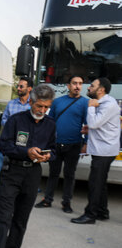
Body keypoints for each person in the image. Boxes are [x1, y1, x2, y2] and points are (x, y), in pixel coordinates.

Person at [0, 84, 56, 248]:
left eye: (46, 107)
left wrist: (48, 156)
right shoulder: (16, 120)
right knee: (4, 215)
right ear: (31, 102)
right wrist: (26, 151)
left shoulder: (50, 124)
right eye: (39, 106)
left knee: (22, 216)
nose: (42, 111)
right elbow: (4, 146)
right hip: (12, 172)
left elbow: (54, 149)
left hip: (33, 174)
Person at [34, 75, 88, 213]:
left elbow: (88, 125)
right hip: (55, 144)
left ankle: (66, 203)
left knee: (70, 175)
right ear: (68, 86)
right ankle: (47, 200)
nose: (77, 86)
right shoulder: (57, 102)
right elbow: (49, 122)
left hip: (74, 144)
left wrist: (86, 143)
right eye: (74, 83)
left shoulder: (85, 103)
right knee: (53, 173)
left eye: (80, 83)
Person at [71, 77, 121, 224]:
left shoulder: (108, 104)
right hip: (104, 149)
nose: (88, 88)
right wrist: (90, 131)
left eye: (92, 86)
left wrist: (91, 107)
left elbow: (93, 123)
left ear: (101, 89)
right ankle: (102, 212)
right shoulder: (105, 103)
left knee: (95, 183)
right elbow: (100, 125)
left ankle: (90, 215)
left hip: (104, 151)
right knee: (100, 182)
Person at [0, 77, 33, 204]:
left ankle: (18, 197)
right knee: (2, 169)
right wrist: (14, 126)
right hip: (9, 142)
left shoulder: (33, 105)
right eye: (18, 86)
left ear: (29, 89)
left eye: (21, 86)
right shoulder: (11, 104)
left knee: (22, 172)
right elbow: (4, 120)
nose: (18, 88)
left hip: (25, 144)